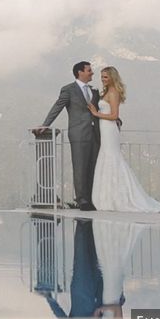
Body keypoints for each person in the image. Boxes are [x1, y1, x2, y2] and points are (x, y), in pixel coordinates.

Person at [87, 67, 160, 213]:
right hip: (104, 129)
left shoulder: (114, 92)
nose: (103, 79)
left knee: (112, 158)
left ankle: (119, 198)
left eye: (106, 77)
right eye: (102, 77)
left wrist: (96, 114)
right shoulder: (107, 91)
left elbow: (114, 115)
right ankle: (108, 197)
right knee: (106, 157)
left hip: (109, 129)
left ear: (112, 78)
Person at [37, 61, 101, 211]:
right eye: (89, 70)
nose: (92, 73)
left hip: (95, 133)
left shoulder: (95, 91)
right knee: (80, 167)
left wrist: (116, 119)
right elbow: (57, 107)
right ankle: (82, 200)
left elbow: (100, 110)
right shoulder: (68, 90)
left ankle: (92, 199)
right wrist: (46, 124)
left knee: (93, 167)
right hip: (78, 133)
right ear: (80, 72)